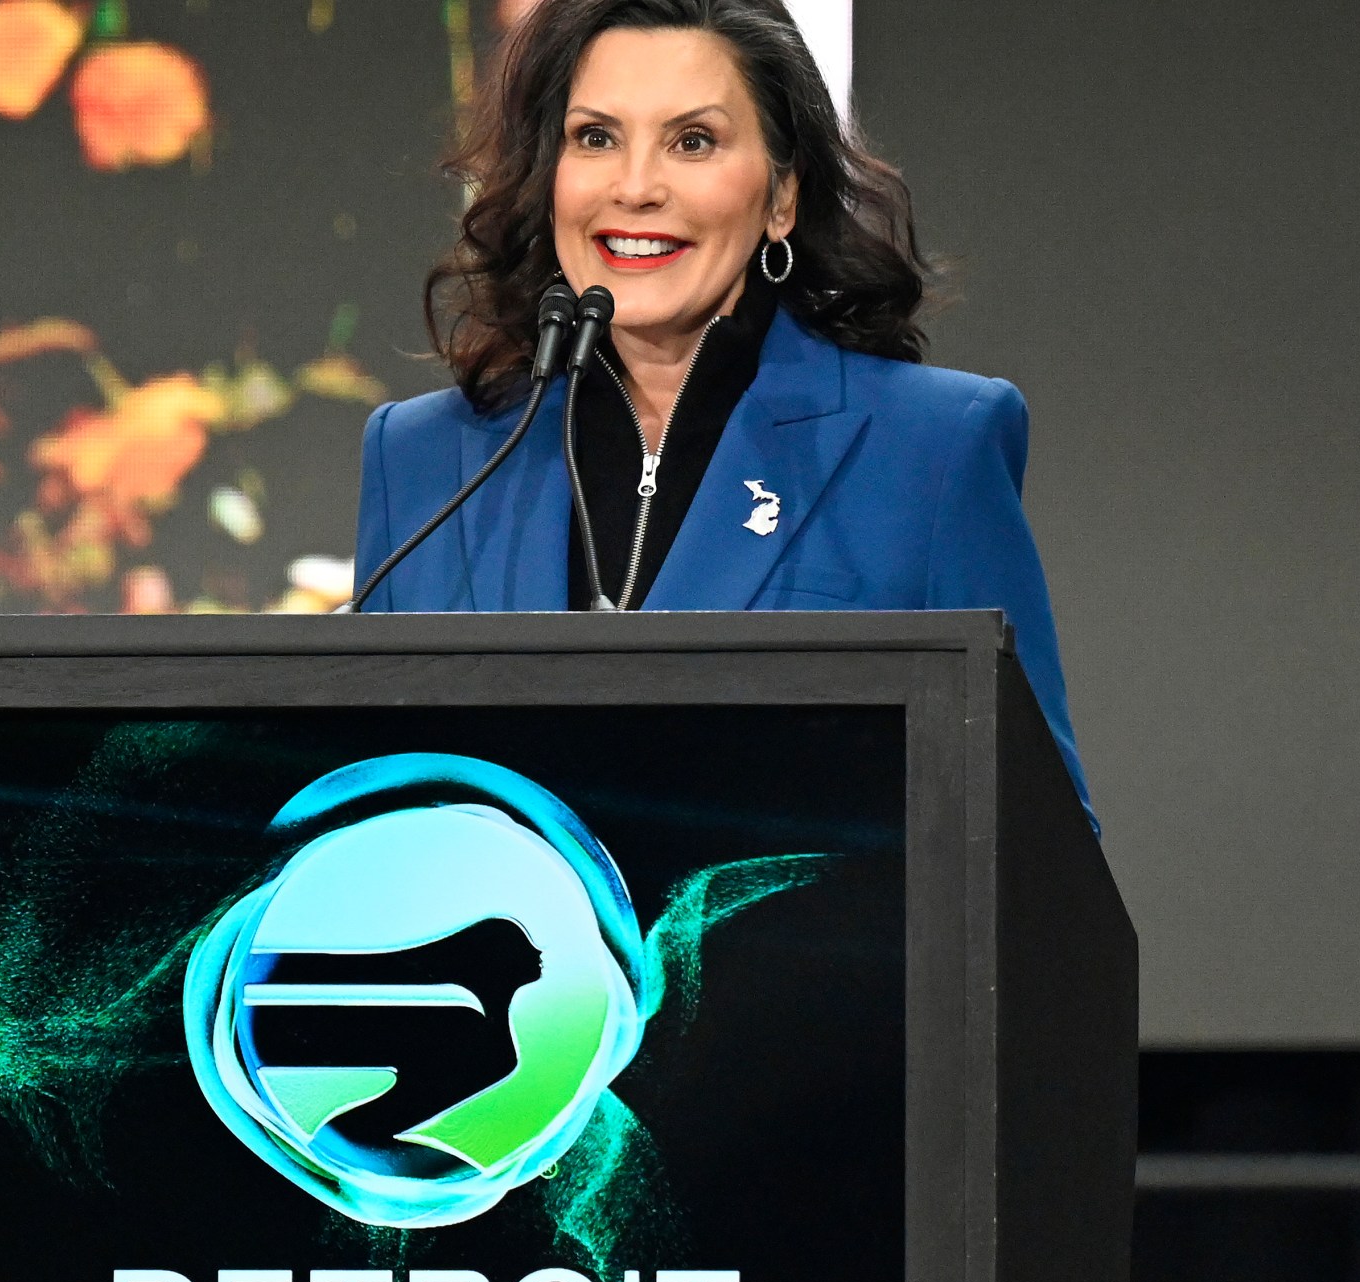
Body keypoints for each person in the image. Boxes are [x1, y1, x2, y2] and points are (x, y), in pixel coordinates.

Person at [353, 0, 1093, 818]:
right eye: (595, 138)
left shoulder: (931, 449)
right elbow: (359, 810)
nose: (635, 188)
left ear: (781, 195)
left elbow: (1038, 837)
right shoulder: (422, 459)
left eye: (693, 142)